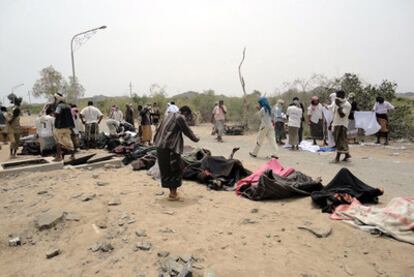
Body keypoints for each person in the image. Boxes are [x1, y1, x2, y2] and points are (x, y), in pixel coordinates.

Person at [154, 106, 199, 201]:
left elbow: (158, 130)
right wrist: (196, 139)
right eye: (188, 116)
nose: (187, 119)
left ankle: (172, 193)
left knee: (166, 170)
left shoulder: (168, 115)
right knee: (174, 169)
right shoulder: (179, 117)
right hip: (170, 148)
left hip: (160, 146)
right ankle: (173, 195)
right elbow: (187, 131)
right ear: (185, 113)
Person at [53, 93, 75, 161]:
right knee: (69, 141)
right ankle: (72, 155)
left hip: (60, 127)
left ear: (57, 99)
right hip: (67, 127)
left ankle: (58, 157)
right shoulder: (68, 106)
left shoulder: (59, 106)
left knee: (58, 142)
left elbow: (57, 113)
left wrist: (53, 112)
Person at [332, 90, 352, 162]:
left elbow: (342, 115)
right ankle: (347, 155)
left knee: (339, 140)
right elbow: (335, 114)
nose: (337, 97)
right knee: (340, 140)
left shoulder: (347, 104)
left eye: (338, 95)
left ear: (342, 96)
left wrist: (339, 106)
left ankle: (337, 157)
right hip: (336, 123)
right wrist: (332, 122)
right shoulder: (336, 103)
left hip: (342, 124)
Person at [6, 94, 22, 158]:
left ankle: (14, 154)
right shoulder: (11, 114)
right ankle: (11, 154)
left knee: (17, 143)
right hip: (12, 130)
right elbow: (9, 121)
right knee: (13, 142)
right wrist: (13, 117)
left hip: (17, 129)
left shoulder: (17, 113)